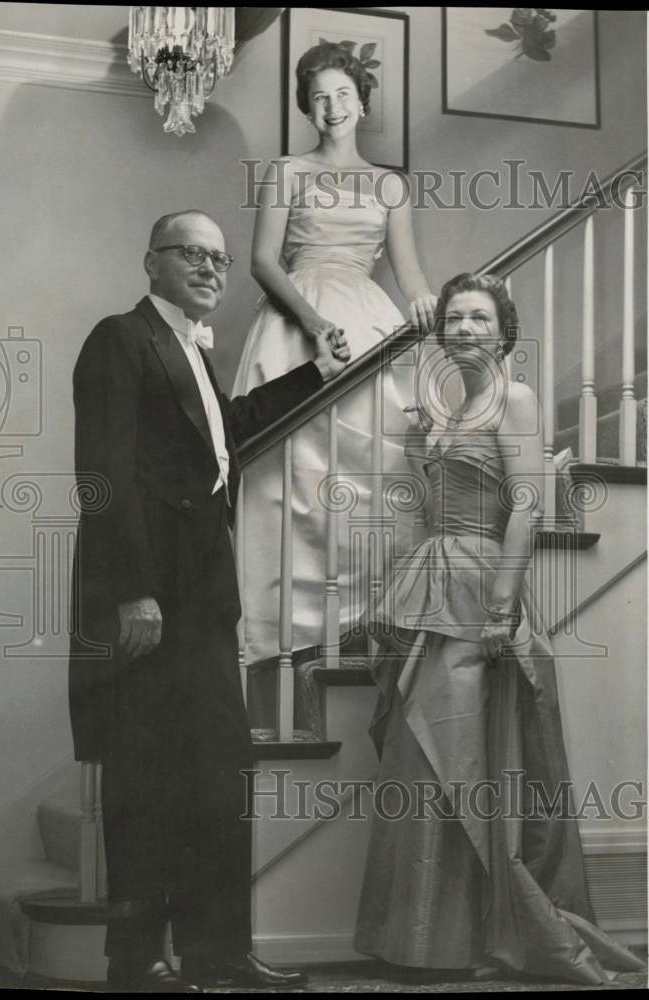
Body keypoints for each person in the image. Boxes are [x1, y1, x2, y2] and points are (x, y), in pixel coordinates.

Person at [69, 209, 350, 992]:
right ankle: (135, 962)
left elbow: (228, 432)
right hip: (149, 600)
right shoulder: (119, 340)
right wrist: (132, 593)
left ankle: (218, 952)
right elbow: (104, 473)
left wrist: (314, 375)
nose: (209, 268)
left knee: (219, 777)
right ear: (150, 262)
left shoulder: (191, 352)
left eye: (220, 260)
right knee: (144, 778)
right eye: (190, 253)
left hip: (203, 601)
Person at [353, 273, 645, 984]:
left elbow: (524, 506)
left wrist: (501, 605)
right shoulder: (446, 408)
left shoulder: (513, 399)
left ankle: (471, 940)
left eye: (479, 318)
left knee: (460, 760)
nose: (463, 329)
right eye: (454, 318)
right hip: (431, 580)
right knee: (419, 759)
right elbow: (417, 505)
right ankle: (419, 941)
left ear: (504, 330)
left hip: (482, 585)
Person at [232, 42, 437, 681]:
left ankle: (365, 629)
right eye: (319, 96)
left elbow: (409, 273)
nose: (332, 107)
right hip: (297, 319)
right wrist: (314, 322)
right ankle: (281, 643)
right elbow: (264, 261)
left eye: (342, 94)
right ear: (307, 106)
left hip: (369, 315)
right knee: (288, 481)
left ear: (361, 101)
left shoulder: (389, 185)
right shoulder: (287, 172)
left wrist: (428, 301)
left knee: (373, 477)